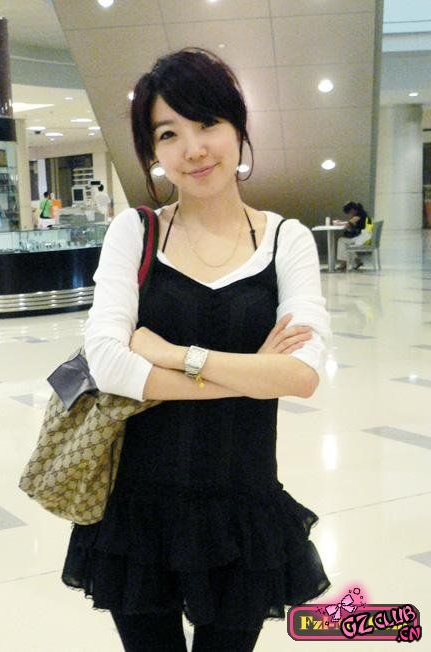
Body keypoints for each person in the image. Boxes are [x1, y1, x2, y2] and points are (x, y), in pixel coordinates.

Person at [61, 48, 331, 652]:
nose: (193, 148)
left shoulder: (287, 240)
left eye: (207, 122)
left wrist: (172, 354)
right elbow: (108, 362)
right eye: (168, 133)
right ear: (152, 153)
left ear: (237, 127)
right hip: (140, 513)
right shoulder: (136, 232)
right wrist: (255, 371)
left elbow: (303, 374)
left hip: (245, 510)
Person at [333, 201, 372, 270]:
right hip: (366, 237)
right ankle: (357, 261)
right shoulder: (362, 214)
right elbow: (350, 222)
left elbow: (348, 224)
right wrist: (341, 222)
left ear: (352, 210)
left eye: (348, 213)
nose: (348, 215)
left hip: (364, 238)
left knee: (342, 241)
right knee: (344, 241)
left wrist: (337, 223)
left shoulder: (359, 216)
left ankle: (344, 262)